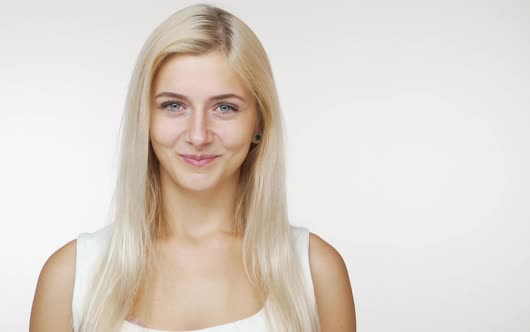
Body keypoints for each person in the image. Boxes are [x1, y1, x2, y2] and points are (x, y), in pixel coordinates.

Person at [29, 3, 355, 332]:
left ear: (259, 121)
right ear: (145, 118)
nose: (199, 135)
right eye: (174, 105)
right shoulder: (70, 278)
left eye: (225, 107)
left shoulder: (316, 273)